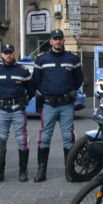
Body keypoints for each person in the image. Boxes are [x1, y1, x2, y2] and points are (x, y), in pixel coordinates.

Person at [32, 29, 84, 182]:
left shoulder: (72, 59)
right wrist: (46, 91)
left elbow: (79, 79)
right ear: (50, 41)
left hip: (66, 104)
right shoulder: (41, 59)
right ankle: (42, 171)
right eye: (55, 39)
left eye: (60, 39)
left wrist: (69, 91)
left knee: (68, 136)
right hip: (48, 104)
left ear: (63, 40)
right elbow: (37, 80)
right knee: (45, 137)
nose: (57, 41)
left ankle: (69, 171)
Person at [0, 44, 36, 182]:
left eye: (10, 52)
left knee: (22, 140)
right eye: (6, 53)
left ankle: (23, 171)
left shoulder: (23, 71)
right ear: (2, 55)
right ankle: (0, 171)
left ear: (15, 54)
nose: (8, 55)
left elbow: (31, 89)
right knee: (1, 140)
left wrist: (26, 99)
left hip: (18, 110)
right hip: (2, 110)